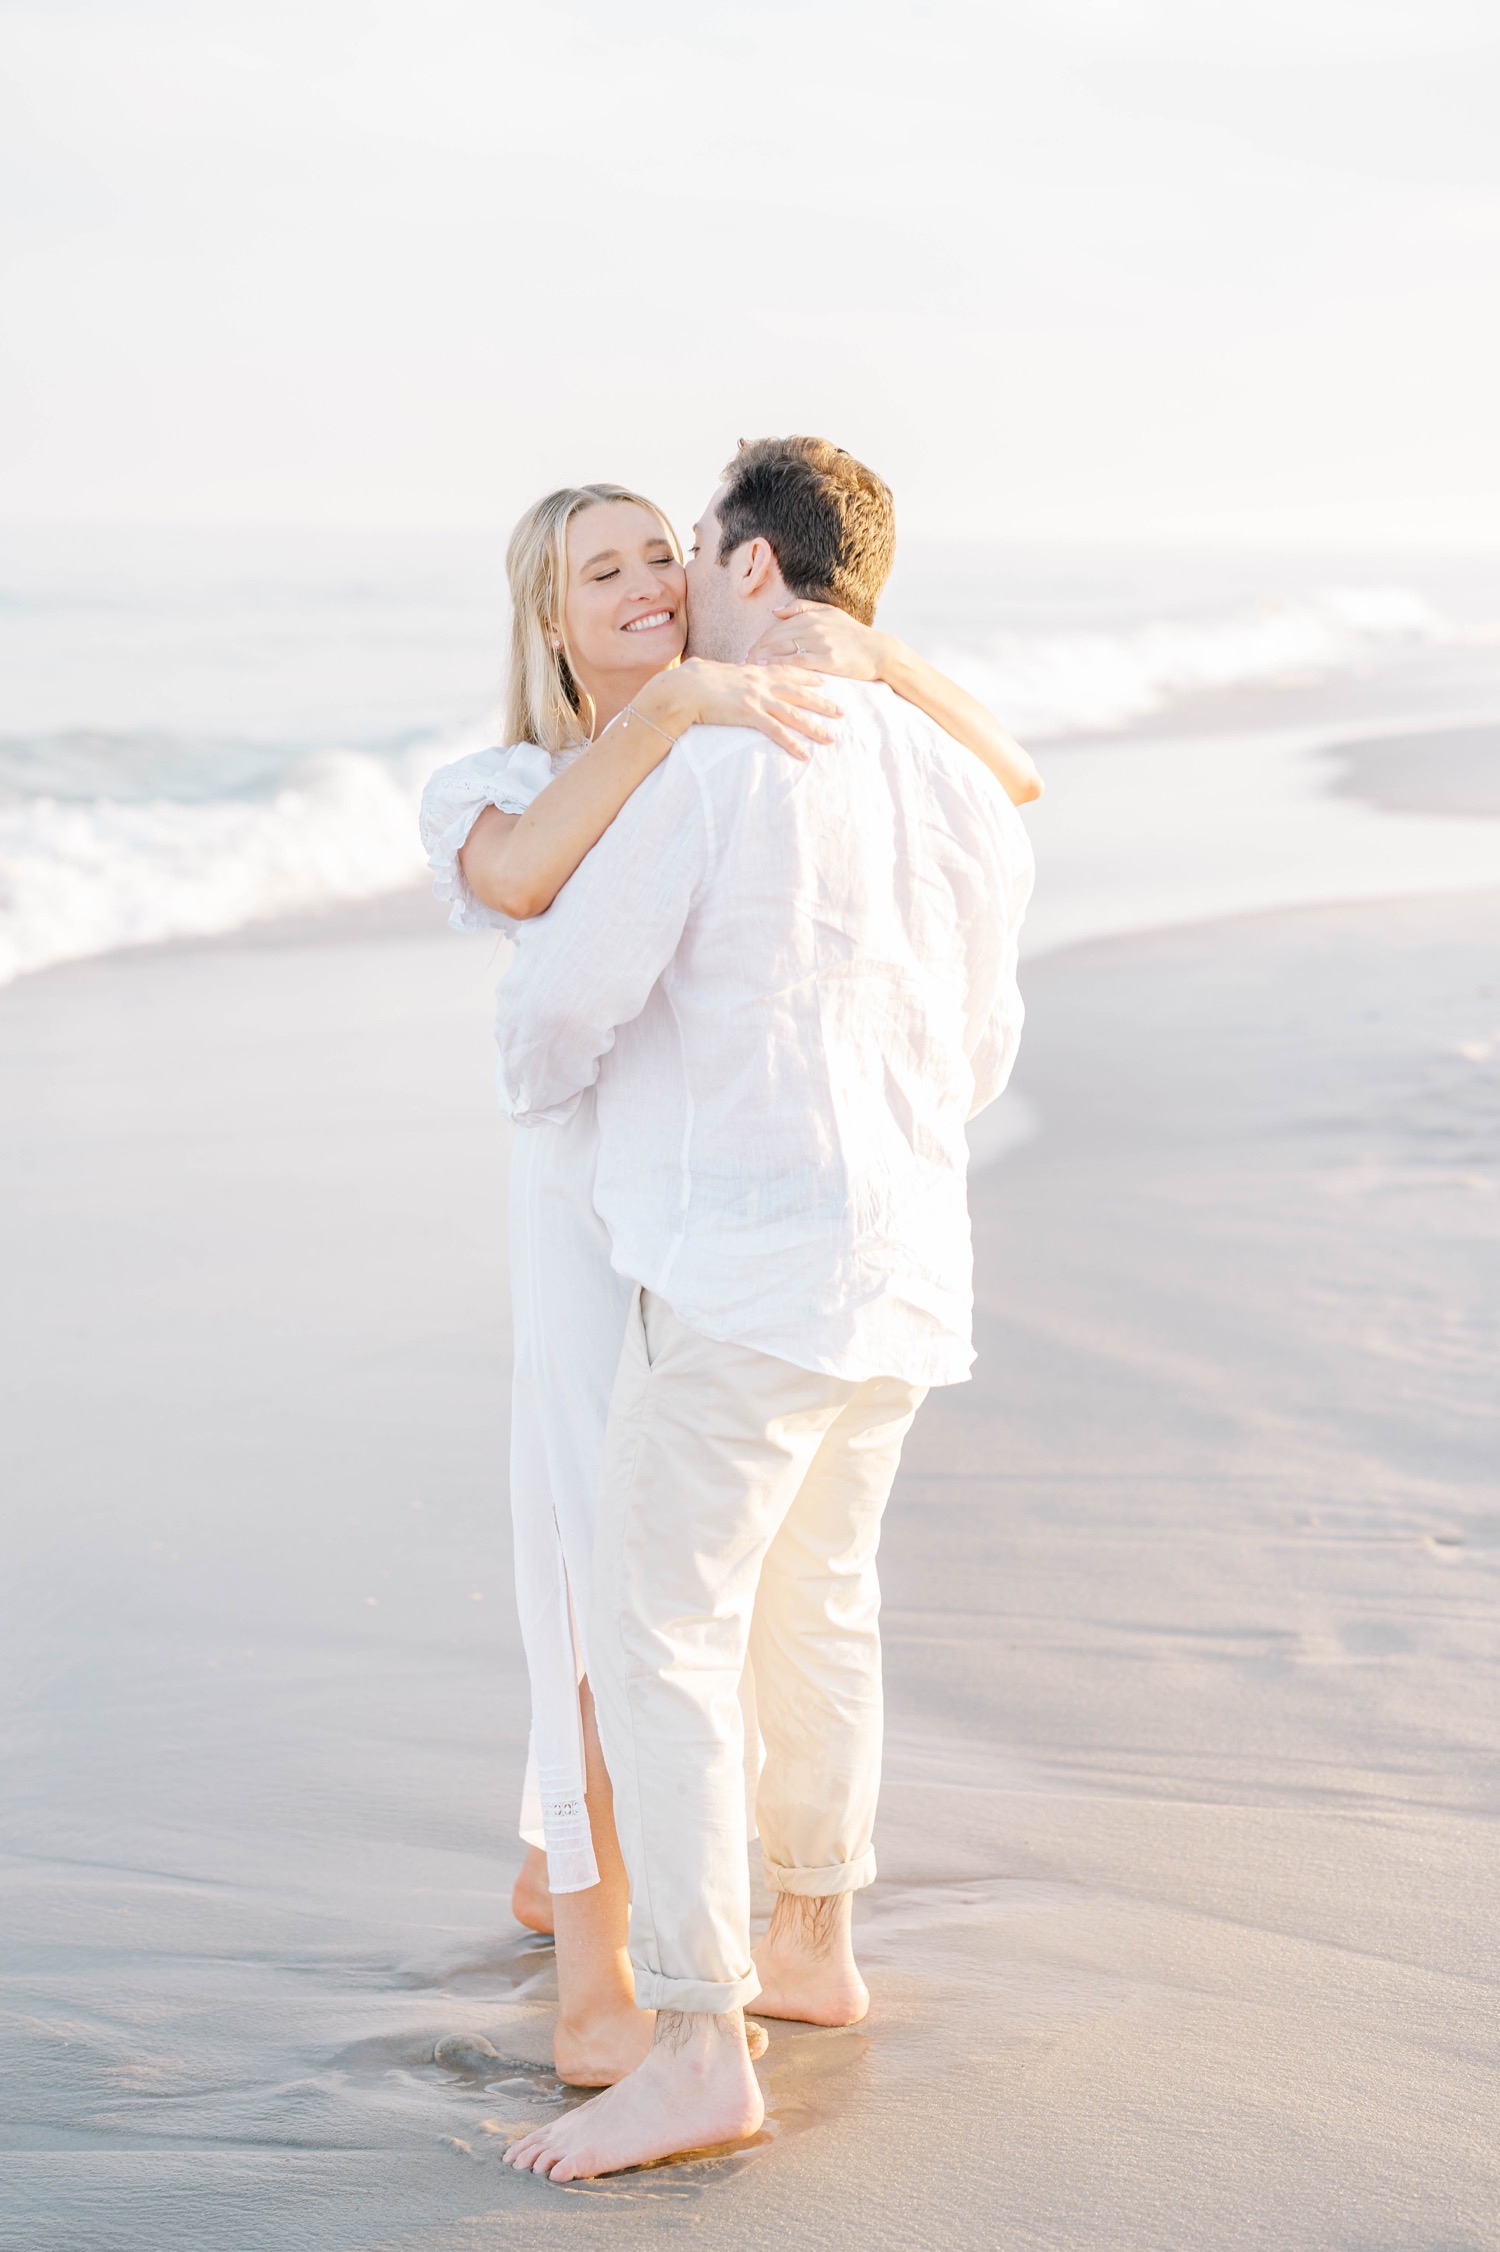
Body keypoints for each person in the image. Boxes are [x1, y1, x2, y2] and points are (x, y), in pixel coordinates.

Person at [418, 466, 1040, 2091]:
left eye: (661, 556)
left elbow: (548, 1032)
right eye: (602, 571)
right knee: (627, 1569)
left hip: (708, 1229)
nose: (643, 583)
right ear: (545, 621)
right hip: (668, 1230)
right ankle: (629, 1930)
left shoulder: (750, 750)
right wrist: (710, 694)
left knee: (685, 1611)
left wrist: (810, 676)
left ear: (732, 570)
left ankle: (688, 1982)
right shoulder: (547, 770)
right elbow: (512, 882)